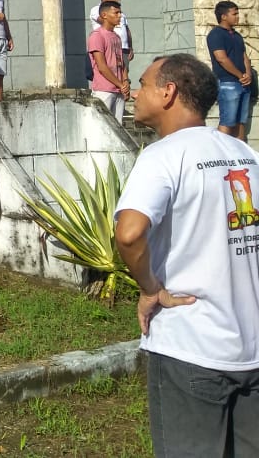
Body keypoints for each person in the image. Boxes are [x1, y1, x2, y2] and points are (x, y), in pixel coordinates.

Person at [114, 53, 259, 457]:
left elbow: (128, 234)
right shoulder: (245, 154)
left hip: (191, 346)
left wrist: (149, 290)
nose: (135, 93)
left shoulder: (164, 155)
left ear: (168, 92)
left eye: (142, 84)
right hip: (251, 344)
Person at [206, 0, 252, 140]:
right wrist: (240, 75)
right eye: (234, 14)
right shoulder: (216, 34)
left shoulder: (237, 35)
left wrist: (248, 75)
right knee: (228, 122)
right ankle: (220, 156)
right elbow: (221, 58)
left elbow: (245, 57)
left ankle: (241, 157)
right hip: (228, 83)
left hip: (243, 84)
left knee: (240, 123)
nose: (238, 16)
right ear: (224, 16)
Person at [87, 0, 130, 123]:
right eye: (116, 13)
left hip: (119, 90)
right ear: (104, 15)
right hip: (104, 90)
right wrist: (121, 85)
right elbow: (102, 66)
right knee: (103, 125)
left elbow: (121, 63)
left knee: (119, 127)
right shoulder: (97, 36)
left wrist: (125, 82)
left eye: (120, 12)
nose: (119, 16)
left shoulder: (116, 37)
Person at [87, 0, 133, 82]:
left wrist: (130, 47)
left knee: (124, 74)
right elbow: (104, 21)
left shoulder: (121, 14)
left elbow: (127, 30)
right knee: (107, 72)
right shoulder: (96, 10)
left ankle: (123, 90)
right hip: (107, 47)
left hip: (122, 47)